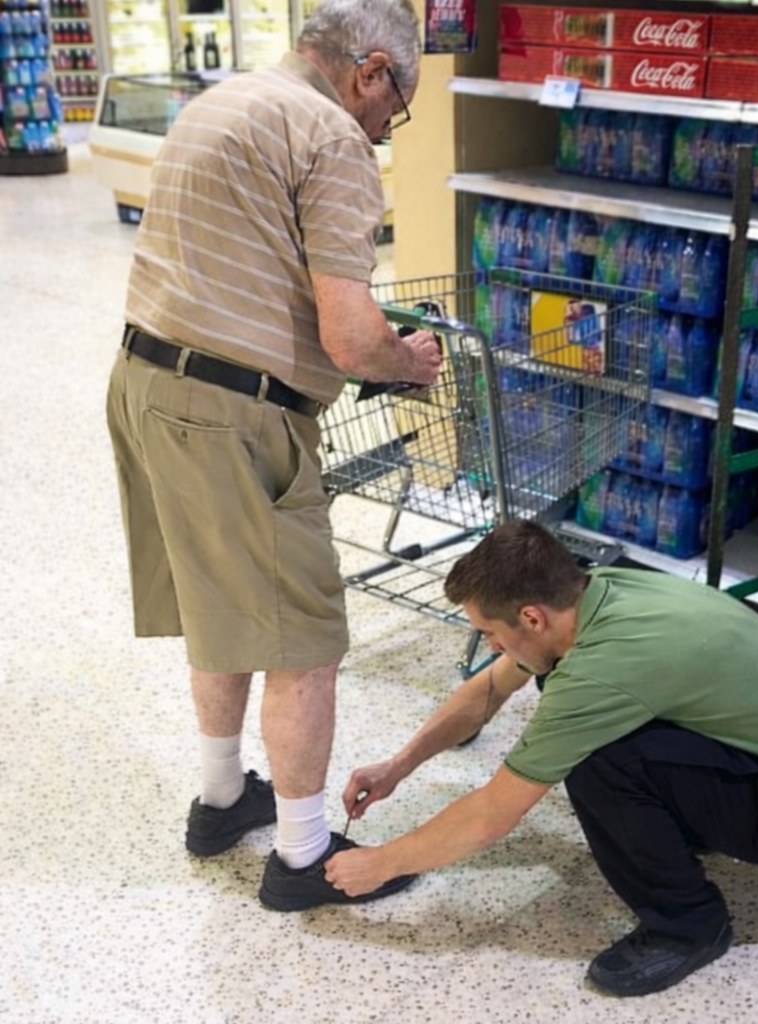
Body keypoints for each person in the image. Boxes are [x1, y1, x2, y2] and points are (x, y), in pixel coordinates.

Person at [105, 0, 442, 912]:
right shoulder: (331, 137)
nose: (384, 126)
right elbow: (349, 336)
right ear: (369, 70)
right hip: (232, 413)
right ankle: (302, 859)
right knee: (303, 639)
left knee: (223, 606)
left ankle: (221, 800)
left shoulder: (228, 99)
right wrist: (402, 361)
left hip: (147, 381)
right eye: (394, 104)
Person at [324, 520, 758, 996]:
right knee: (593, 723)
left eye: (488, 632)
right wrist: (399, 765)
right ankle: (686, 831)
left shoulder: (600, 669)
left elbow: (494, 813)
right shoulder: (596, 593)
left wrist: (381, 863)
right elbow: (488, 690)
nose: (487, 643)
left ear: (530, 617)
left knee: (596, 758)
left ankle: (688, 926)